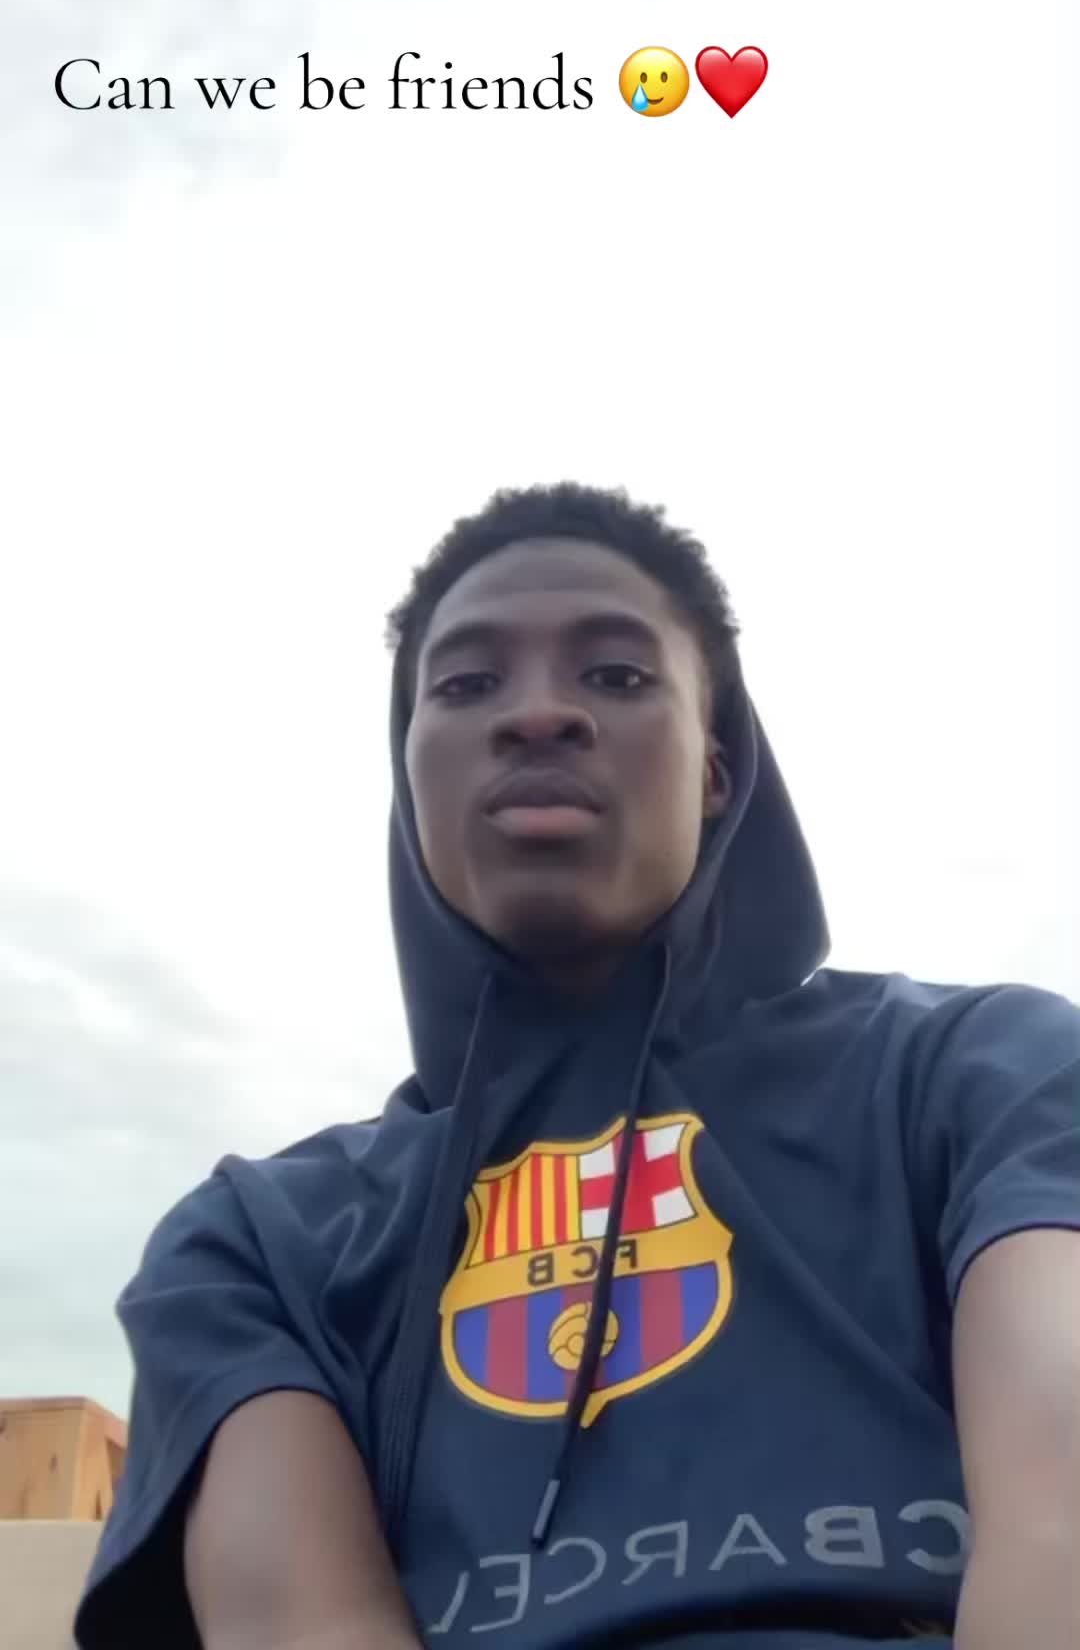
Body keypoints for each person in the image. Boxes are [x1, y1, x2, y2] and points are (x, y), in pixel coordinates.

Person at [73, 481, 1080, 1650]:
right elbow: (305, 1626)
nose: (540, 715)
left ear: (716, 769)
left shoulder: (982, 1076)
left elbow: (1059, 1519)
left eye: (615, 674)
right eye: (467, 685)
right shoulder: (252, 1247)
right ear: (410, 774)